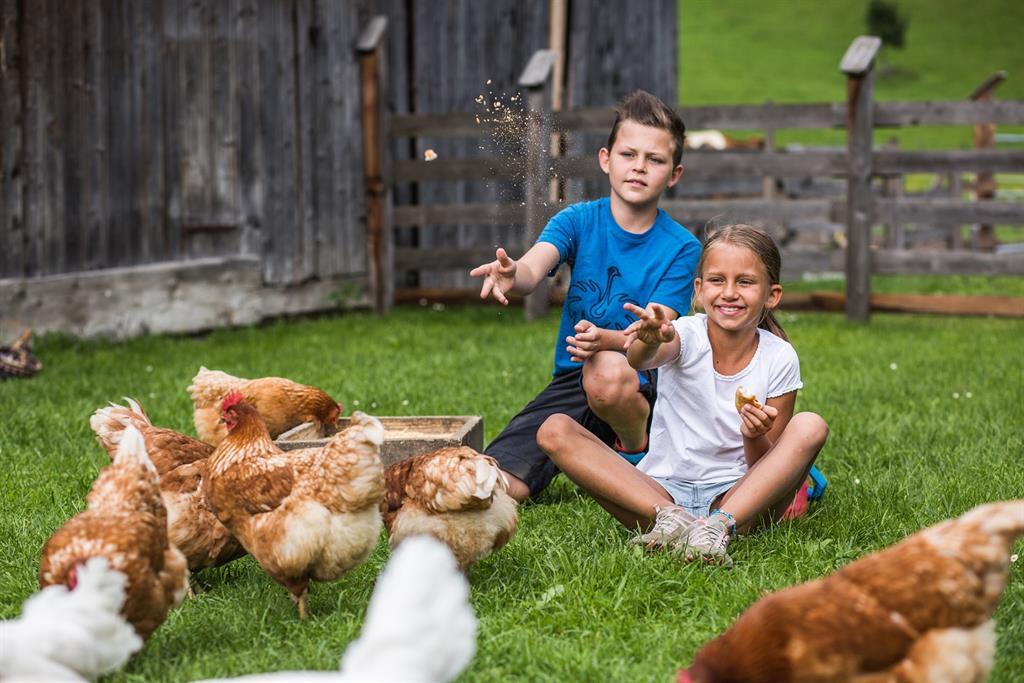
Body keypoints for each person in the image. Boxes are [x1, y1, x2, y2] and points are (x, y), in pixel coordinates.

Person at [536, 224, 829, 565]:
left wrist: (753, 436)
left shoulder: (779, 357)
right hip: (659, 497)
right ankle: (675, 520)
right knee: (554, 429)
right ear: (699, 291)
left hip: (736, 501)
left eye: (745, 282)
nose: (729, 293)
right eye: (717, 280)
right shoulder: (686, 333)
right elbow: (641, 358)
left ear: (772, 295)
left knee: (810, 425)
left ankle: (715, 528)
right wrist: (648, 340)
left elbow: (769, 468)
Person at [470, 90, 702, 503]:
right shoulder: (577, 221)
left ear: (675, 174)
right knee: (495, 485)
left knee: (608, 372)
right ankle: (594, 453)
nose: (639, 167)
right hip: (574, 379)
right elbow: (533, 268)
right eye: (628, 154)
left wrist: (606, 341)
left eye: (655, 159)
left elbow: (654, 332)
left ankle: (636, 449)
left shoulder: (682, 247)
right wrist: (513, 273)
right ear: (605, 159)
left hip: (643, 385)